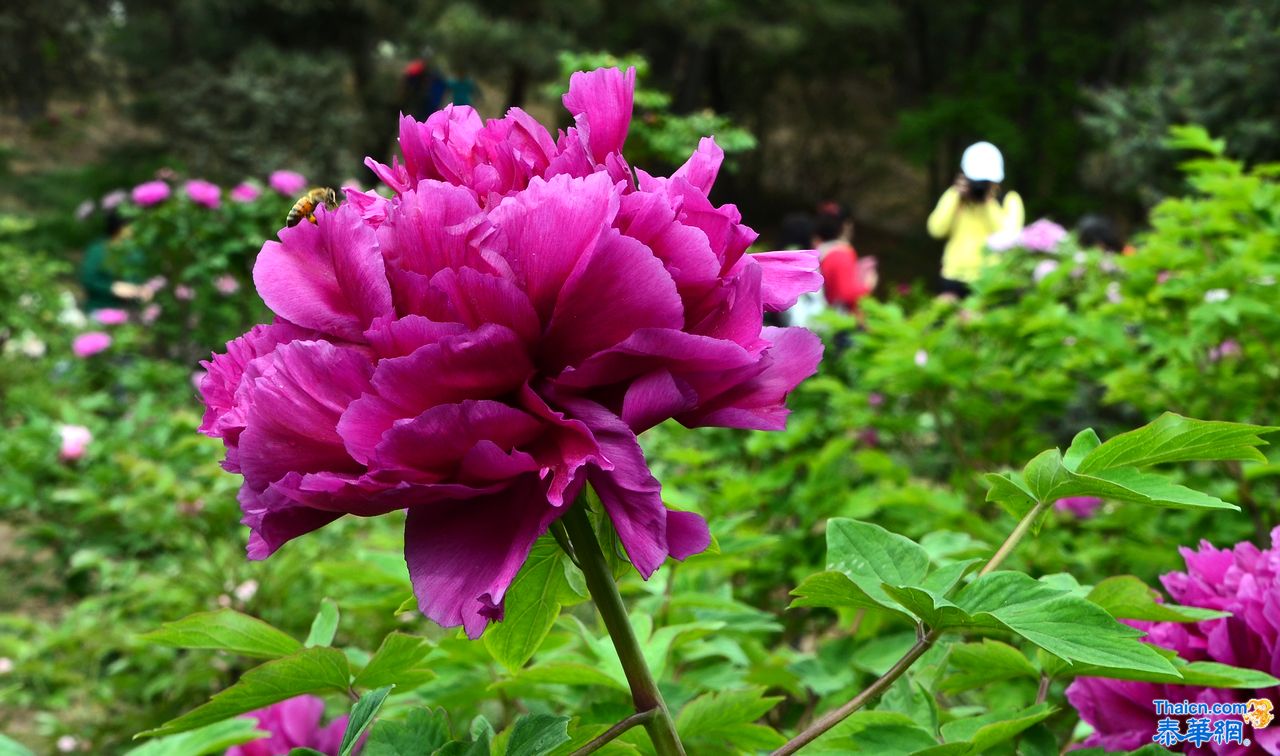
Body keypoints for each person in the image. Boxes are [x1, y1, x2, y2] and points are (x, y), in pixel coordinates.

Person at [927, 141, 1024, 297]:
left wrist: (988, 203)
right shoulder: (955, 196)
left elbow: (1009, 238)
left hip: (990, 280)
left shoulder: (1009, 200)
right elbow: (936, 230)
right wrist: (955, 196)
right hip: (953, 277)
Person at [815, 202, 873, 313]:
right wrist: (868, 285)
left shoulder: (820, 249)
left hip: (822, 311)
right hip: (836, 320)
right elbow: (847, 295)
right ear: (846, 225)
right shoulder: (843, 253)